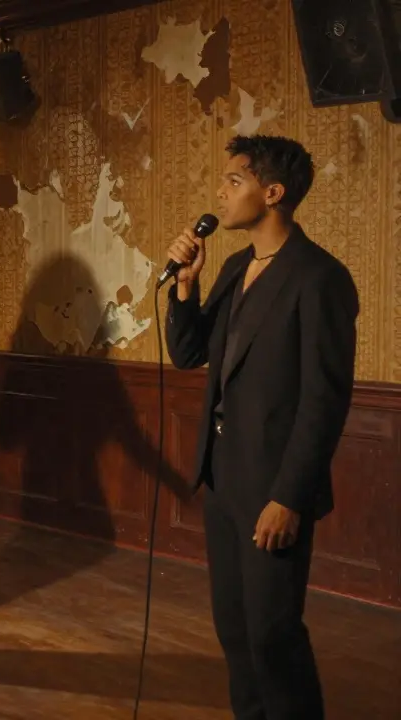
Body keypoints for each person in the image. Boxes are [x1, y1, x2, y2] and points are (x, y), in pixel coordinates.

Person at [164, 134, 358, 720]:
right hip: (222, 476)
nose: (220, 192)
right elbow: (187, 353)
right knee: (234, 629)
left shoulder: (320, 278)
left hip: (273, 487)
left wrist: (289, 497)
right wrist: (186, 286)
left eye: (234, 180)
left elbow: (324, 400)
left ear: (272, 193)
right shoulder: (232, 267)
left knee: (273, 634)